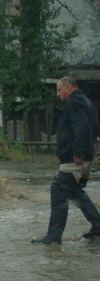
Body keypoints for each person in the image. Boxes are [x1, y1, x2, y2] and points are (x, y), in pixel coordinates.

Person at [32, 76, 100, 245]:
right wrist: (88, 151)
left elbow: (82, 126)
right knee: (75, 192)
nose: (58, 94)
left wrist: (77, 153)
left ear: (68, 87)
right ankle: (98, 226)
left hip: (74, 158)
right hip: (86, 156)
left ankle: (53, 237)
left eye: (59, 90)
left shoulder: (73, 102)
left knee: (59, 189)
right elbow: (94, 127)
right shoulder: (85, 101)